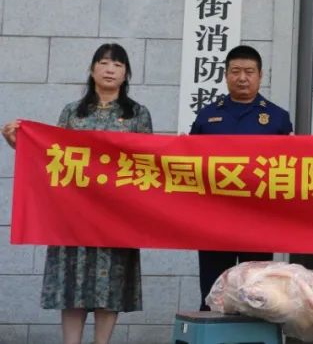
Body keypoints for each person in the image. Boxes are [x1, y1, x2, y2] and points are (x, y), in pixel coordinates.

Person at [2, 43, 152, 344]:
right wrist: (19, 142)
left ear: (126, 74)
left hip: (115, 215)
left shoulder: (137, 114)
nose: (110, 70)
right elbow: (51, 155)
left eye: (118, 65)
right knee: (72, 283)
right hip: (73, 213)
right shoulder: (72, 112)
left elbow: (147, 163)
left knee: (110, 284)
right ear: (92, 69)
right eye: (104, 63)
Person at [189, 45, 293, 310]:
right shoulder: (207, 116)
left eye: (249, 71)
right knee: (213, 291)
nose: (242, 78)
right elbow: (189, 163)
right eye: (235, 71)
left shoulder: (278, 118)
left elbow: (290, 166)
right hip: (214, 218)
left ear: (260, 76)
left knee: (256, 292)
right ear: (226, 75)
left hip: (258, 219)